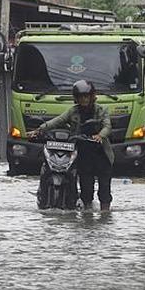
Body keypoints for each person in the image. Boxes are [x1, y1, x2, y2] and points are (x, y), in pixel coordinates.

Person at [33, 80, 114, 210]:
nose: (84, 100)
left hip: (101, 154)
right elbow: (58, 120)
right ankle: (87, 213)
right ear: (76, 98)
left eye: (86, 96)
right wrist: (40, 129)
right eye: (81, 97)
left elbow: (107, 126)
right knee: (86, 188)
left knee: (104, 189)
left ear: (92, 96)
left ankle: (105, 213)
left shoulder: (101, 110)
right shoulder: (73, 111)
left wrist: (100, 135)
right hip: (83, 154)